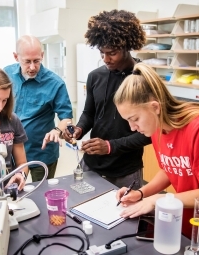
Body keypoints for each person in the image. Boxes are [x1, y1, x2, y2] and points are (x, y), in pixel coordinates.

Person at [113, 62, 199, 255]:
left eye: (134, 119)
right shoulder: (157, 128)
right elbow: (170, 168)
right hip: (192, 225)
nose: (132, 128)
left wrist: (157, 200)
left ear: (155, 107)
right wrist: (141, 193)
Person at [62, 10, 151, 190]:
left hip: (125, 169)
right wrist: (79, 129)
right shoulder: (95, 76)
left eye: (112, 53)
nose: (106, 59)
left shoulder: (144, 78)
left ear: (126, 46)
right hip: (92, 163)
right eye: (102, 53)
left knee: (126, 216)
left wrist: (110, 146)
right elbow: (89, 113)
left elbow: (150, 134)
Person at [4, 35, 73, 182]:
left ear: (42, 55)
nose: (32, 67)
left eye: (37, 61)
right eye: (27, 61)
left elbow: (66, 118)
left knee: (40, 196)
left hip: (41, 153)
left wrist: (58, 130)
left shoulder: (55, 83)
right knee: (12, 194)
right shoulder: (6, 75)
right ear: (16, 57)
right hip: (10, 151)